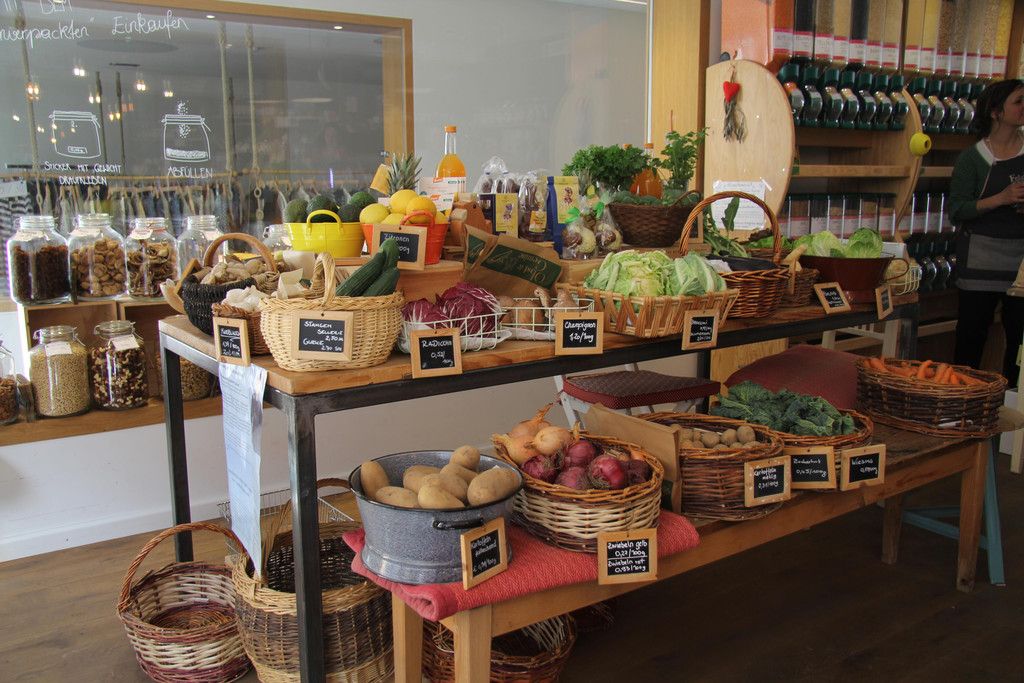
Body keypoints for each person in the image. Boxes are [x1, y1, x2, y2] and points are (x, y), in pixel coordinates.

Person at [950, 78, 1024, 384]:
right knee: (971, 338)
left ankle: (1012, 407)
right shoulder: (972, 159)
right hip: (979, 263)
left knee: (1018, 344)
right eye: (1018, 101)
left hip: (1020, 268)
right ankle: (960, 400)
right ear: (995, 112)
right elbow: (957, 210)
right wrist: (1001, 199)